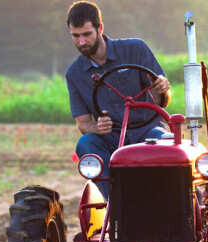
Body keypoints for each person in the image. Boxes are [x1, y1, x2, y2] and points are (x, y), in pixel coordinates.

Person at [65, 1, 171, 197]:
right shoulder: (74, 73)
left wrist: (162, 87)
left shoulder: (135, 49)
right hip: (111, 137)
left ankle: (171, 199)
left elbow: (162, 102)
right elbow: (83, 124)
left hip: (147, 131)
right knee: (85, 144)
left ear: (100, 28)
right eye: (76, 36)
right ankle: (117, 200)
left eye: (86, 34)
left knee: (167, 148)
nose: (81, 42)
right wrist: (97, 128)